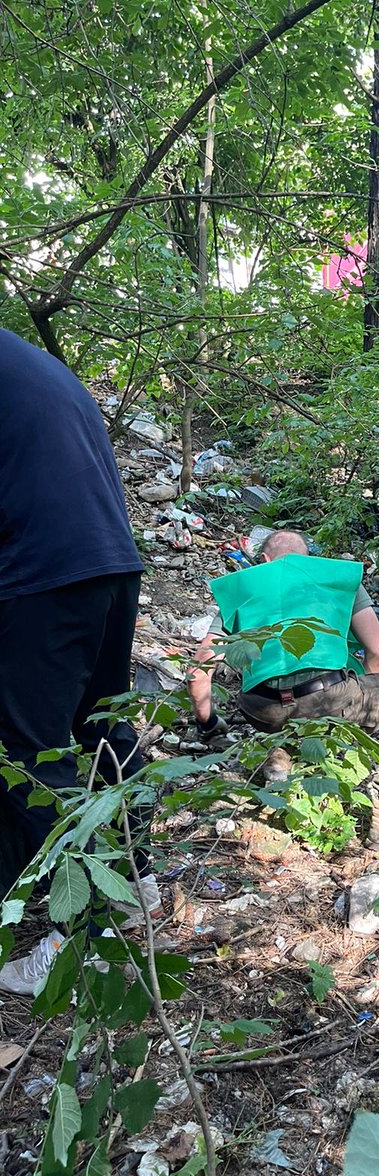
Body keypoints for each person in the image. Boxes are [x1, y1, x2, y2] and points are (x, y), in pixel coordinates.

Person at [0, 329, 155, 996]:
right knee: (103, 726)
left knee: (28, 757)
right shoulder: (29, 362)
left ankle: (82, 940)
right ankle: (137, 879)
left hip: (41, 572)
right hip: (109, 561)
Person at [188, 530, 379, 848]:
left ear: (264, 559)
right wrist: (361, 702)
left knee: (291, 702)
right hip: (327, 699)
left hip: (260, 709)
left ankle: (281, 752)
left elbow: (198, 673)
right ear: (308, 557)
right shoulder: (338, 577)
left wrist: (209, 725)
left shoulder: (243, 586)